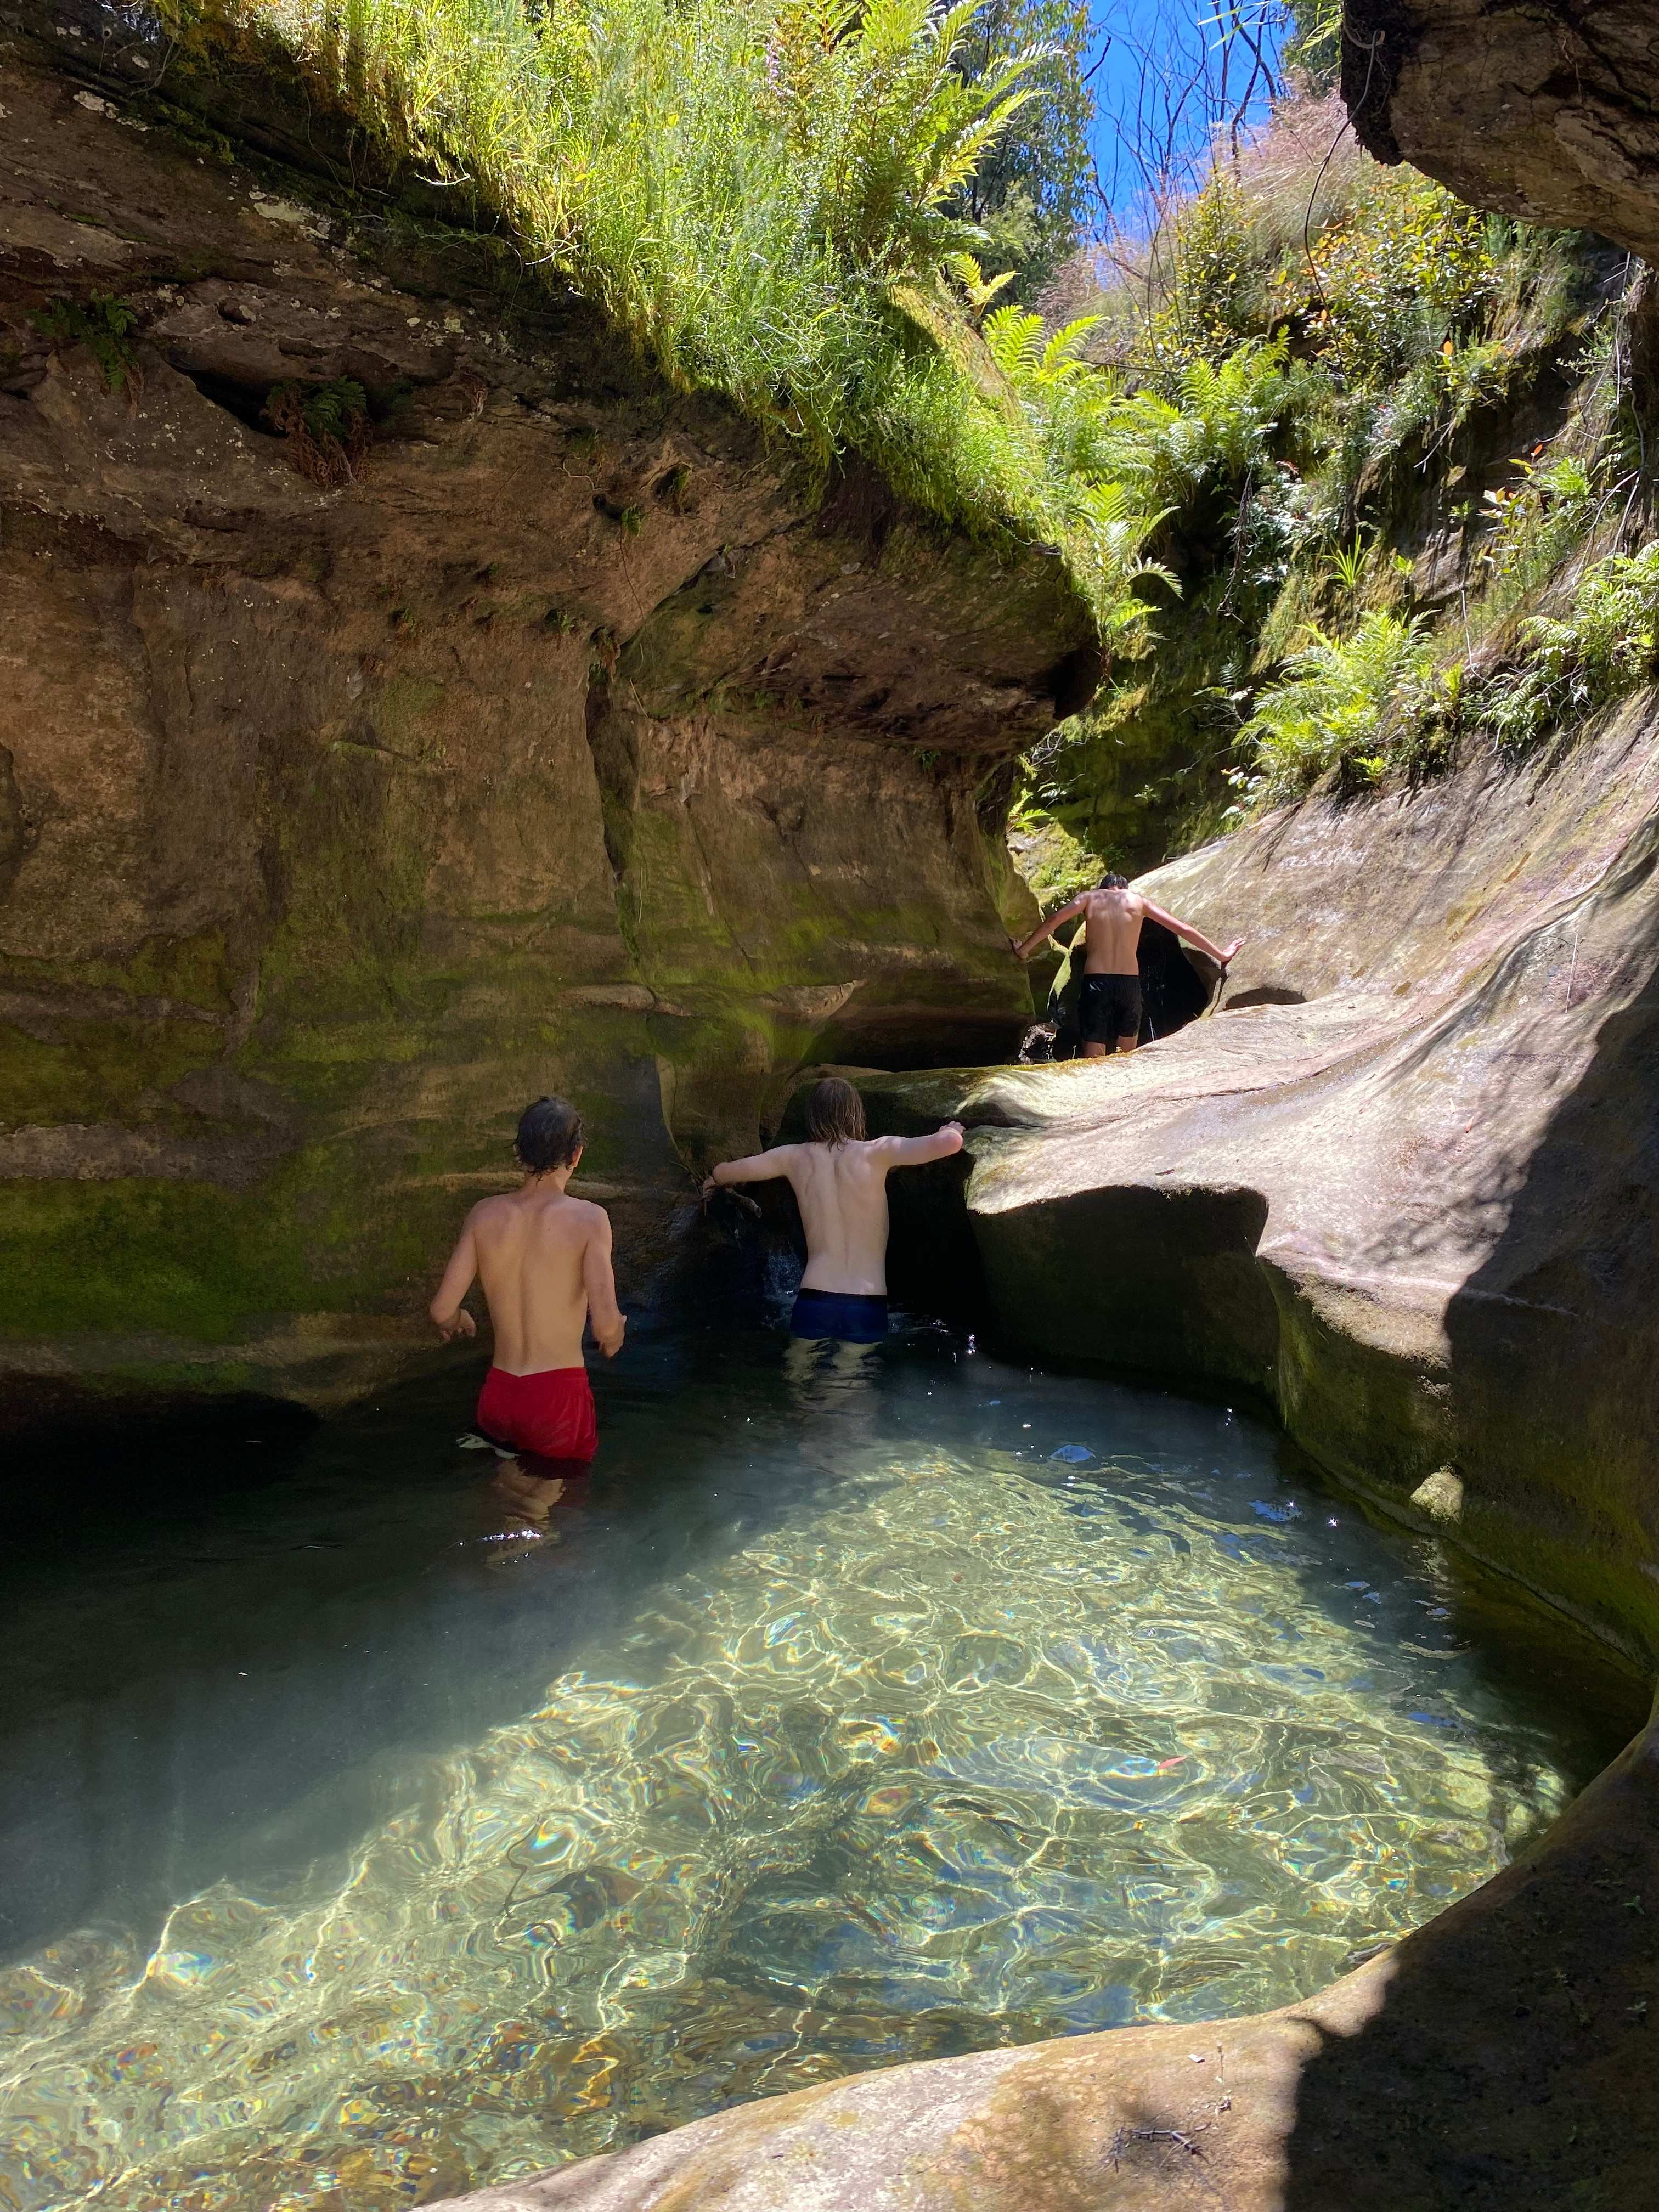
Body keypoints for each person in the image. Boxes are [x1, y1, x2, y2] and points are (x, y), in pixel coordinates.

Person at [428, 1095, 625, 1470]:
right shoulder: (590, 1219)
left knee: (507, 1497)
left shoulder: (484, 1214)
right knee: (552, 1514)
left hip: (500, 1393)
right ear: (577, 1155)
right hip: (555, 1396)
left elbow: (441, 1311)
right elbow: (605, 1324)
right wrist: (616, 1335)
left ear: (519, 1152)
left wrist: (458, 1321)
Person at [703, 1076, 964, 1342]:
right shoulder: (877, 1152)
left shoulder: (793, 1157)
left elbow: (726, 1172)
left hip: (814, 1296)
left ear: (814, 1116)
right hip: (867, 1300)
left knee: (799, 1377)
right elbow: (950, 1144)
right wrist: (950, 1130)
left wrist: (714, 1179)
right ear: (856, 1114)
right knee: (850, 1381)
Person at [1013, 873, 1244, 1057]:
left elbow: (1054, 921)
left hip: (1097, 983)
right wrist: (1221, 955)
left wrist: (1024, 949)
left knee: (1094, 1057)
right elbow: (1182, 929)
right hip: (1129, 985)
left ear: (1104, 887)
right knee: (1128, 1056)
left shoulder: (1089, 898)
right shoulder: (1138, 902)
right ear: (1124, 889)